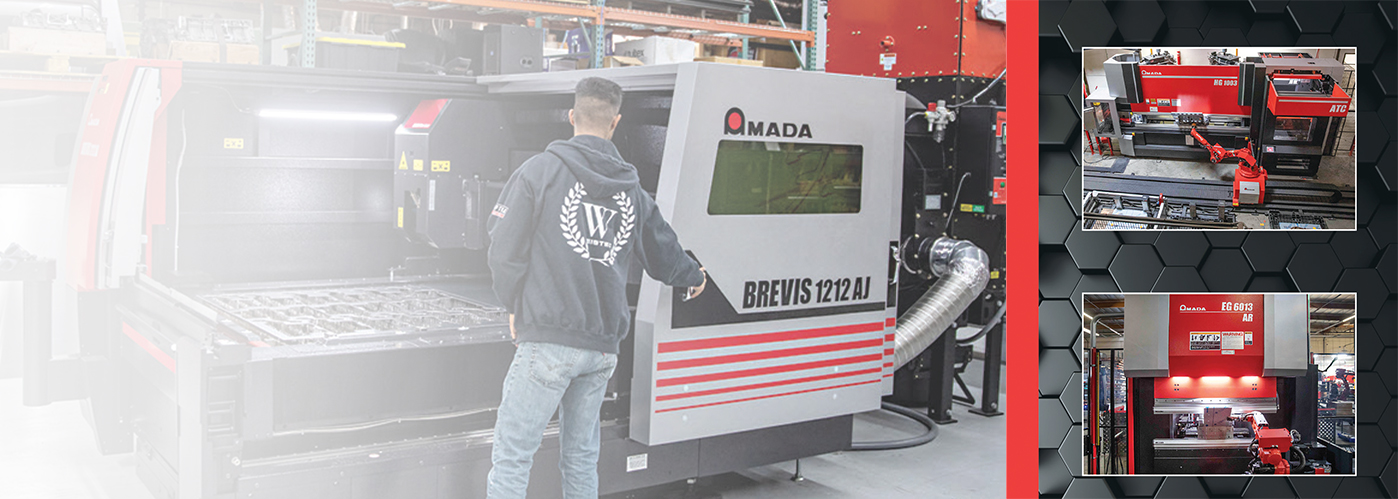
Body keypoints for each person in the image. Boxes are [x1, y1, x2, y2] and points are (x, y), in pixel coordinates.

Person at [484, 76, 707, 499]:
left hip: (548, 342)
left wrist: (513, 304)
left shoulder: (538, 172)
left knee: (513, 456)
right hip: (602, 349)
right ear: (615, 122)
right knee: (581, 458)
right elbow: (663, 251)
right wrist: (694, 275)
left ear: (572, 116)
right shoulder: (632, 191)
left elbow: (503, 249)